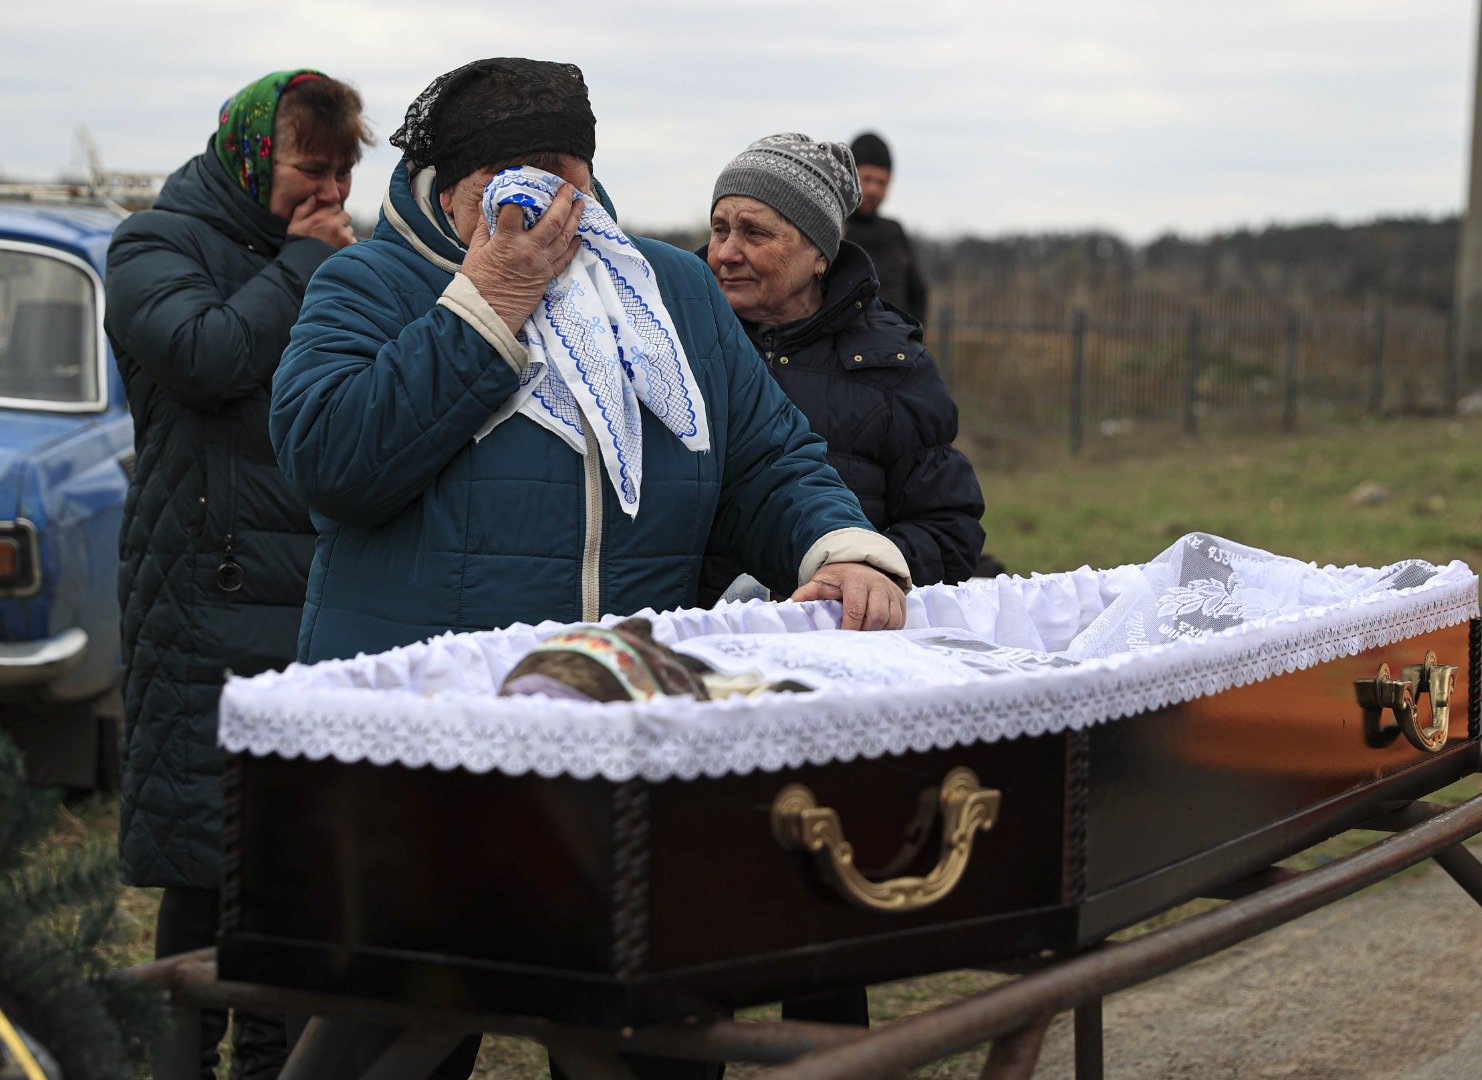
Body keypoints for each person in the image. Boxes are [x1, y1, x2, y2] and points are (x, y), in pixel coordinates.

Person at [270, 61, 912, 1072]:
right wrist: (486, 303)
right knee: (396, 1030)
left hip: (623, 742)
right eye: (505, 177)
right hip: (436, 757)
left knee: (641, 1031)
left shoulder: (672, 295)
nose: (538, 202)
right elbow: (332, 463)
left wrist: (837, 546)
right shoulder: (373, 283)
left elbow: (766, 457)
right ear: (449, 186)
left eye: (559, 171)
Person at [103, 69, 369, 1078]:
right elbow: (204, 355)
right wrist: (305, 260)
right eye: (312, 168)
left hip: (307, 589)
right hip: (200, 587)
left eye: (343, 174)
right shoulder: (153, 244)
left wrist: (318, 259)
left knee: (288, 868)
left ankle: (268, 1065)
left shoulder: (327, 251)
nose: (330, 194)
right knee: (201, 859)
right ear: (256, 153)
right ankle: (178, 1057)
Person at [698, 133, 984, 608]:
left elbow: (948, 530)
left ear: (818, 255)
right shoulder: (673, 340)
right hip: (690, 635)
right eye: (719, 229)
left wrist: (862, 572)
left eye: (755, 233)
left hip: (837, 637)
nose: (727, 252)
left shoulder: (894, 366)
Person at [844, 131, 928, 324]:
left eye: (881, 182)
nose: (874, 190)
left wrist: (914, 340)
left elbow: (917, 292)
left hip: (896, 345)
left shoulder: (894, 232)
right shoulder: (834, 231)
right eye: (867, 179)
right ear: (850, 176)